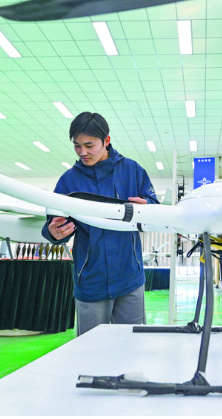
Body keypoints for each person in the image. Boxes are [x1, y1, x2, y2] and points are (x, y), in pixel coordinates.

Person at [42, 112, 159, 336]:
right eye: (77, 146)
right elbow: (53, 224)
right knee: (91, 347)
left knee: (134, 344)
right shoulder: (69, 180)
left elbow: (154, 207)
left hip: (130, 276)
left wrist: (149, 207)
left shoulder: (132, 171)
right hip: (90, 279)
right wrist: (53, 233)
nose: (82, 152)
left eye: (89, 145)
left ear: (106, 140)